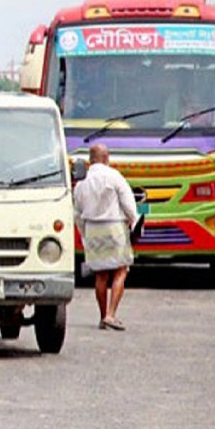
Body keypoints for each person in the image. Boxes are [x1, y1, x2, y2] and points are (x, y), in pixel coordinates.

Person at [73, 142, 138, 331]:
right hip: (114, 226)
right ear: (106, 158)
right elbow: (128, 202)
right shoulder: (114, 176)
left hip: (92, 227)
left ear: (90, 160)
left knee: (101, 274)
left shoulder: (82, 183)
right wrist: (134, 221)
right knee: (120, 270)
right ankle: (111, 314)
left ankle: (103, 316)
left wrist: (84, 232)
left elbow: (77, 212)